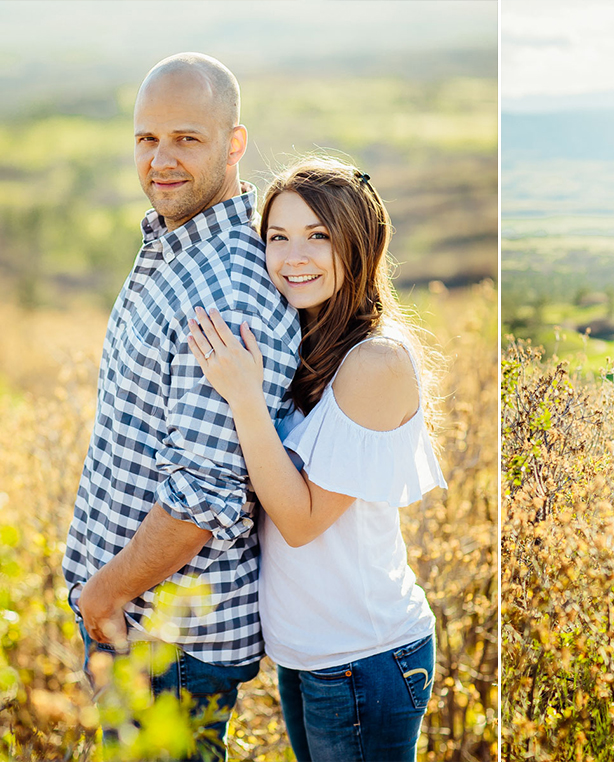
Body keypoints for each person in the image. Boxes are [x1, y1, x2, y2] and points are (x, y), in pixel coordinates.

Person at [62, 53, 300, 760]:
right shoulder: (178, 250)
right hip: (142, 621)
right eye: (147, 139)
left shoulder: (223, 286)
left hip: (168, 639)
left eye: (187, 139)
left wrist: (103, 596)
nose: (161, 160)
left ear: (234, 143)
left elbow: (201, 498)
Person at [187, 156, 446, 762]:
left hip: (363, 655)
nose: (292, 257)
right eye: (278, 237)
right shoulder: (301, 341)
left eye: (317, 236)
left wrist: (245, 398)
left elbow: (302, 522)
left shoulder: (375, 361)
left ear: (359, 245)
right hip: (309, 655)